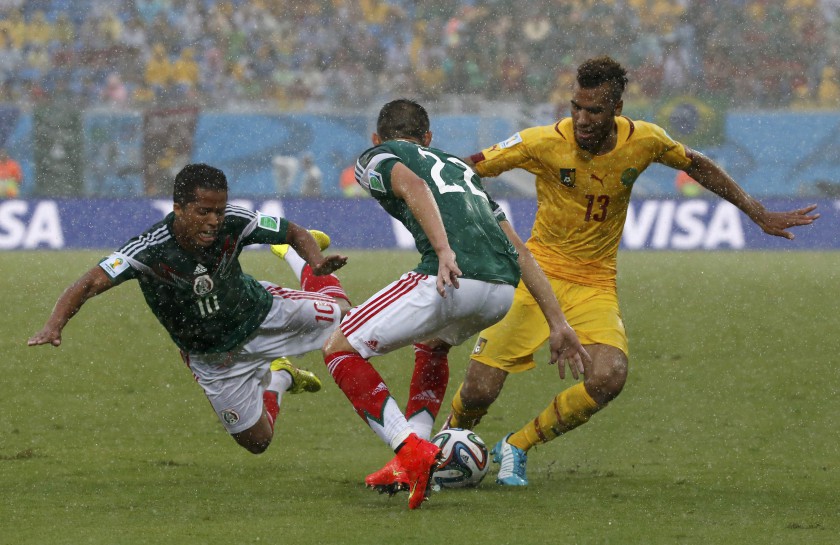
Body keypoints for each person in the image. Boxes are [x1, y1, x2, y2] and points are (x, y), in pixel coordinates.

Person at [445, 56, 821, 486]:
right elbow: (463, 169)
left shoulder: (645, 141)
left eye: (595, 111)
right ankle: (444, 444)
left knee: (609, 377)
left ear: (617, 110)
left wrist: (756, 212)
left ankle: (518, 444)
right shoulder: (540, 142)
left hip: (594, 284)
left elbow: (696, 163)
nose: (582, 120)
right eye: (576, 108)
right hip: (535, 277)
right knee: (479, 391)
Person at [320, 99, 589, 510]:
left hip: (449, 276)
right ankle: (418, 456)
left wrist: (444, 251)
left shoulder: (376, 156)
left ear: (377, 138)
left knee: (339, 349)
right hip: (499, 290)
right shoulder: (461, 169)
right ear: (428, 138)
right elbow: (518, 249)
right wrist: (558, 323)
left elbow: (413, 186)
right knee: (433, 346)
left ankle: (407, 450)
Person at [28, 163, 352, 455]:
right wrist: (54, 325)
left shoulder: (236, 221)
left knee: (352, 321)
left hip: (264, 314)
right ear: (178, 208)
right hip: (212, 356)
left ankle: (297, 262)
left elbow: (294, 231)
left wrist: (317, 261)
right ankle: (280, 376)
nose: (214, 221)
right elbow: (89, 282)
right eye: (203, 211)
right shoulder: (148, 250)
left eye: (219, 211)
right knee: (258, 442)